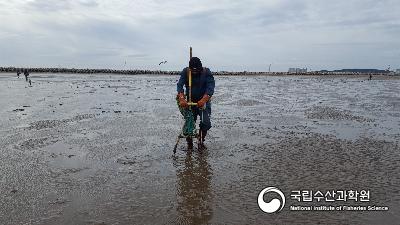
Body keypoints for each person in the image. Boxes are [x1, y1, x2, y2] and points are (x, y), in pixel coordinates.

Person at [177, 57, 215, 150]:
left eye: (196, 71)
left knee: (205, 123)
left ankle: (201, 141)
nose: (194, 72)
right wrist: (182, 98)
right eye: (192, 71)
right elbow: (180, 85)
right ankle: (189, 144)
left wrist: (204, 99)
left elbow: (210, 87)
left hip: (203, 101)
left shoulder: (206, 72)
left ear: (200, 68)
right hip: (189, 102)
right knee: (190, 124)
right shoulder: (186, 72)